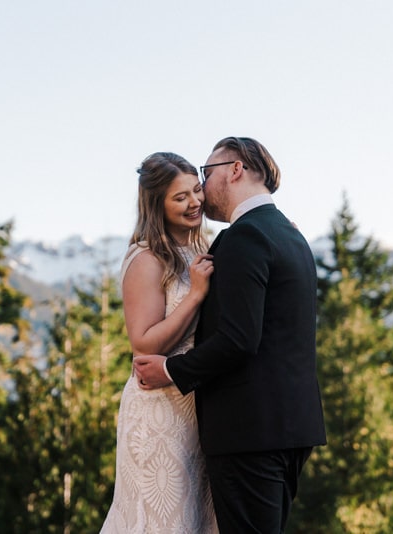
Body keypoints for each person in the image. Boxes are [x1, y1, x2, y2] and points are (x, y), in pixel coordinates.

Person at [134, 136, 327, 533]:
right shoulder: (291, 236)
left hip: (249, 432)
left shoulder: (246, 237)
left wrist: (171, 370)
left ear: (235, 169)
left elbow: (239, 339)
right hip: (290, 427)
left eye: (206, 174)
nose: (202, 192)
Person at [100, 152, 219, 533]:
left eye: (196, 190)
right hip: (158, 412)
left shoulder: (202, 249)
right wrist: (195, 296)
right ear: (157, 205)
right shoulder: (148, 258)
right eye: (179, 197)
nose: (195, 202)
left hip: (197, 408)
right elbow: (144, 344)